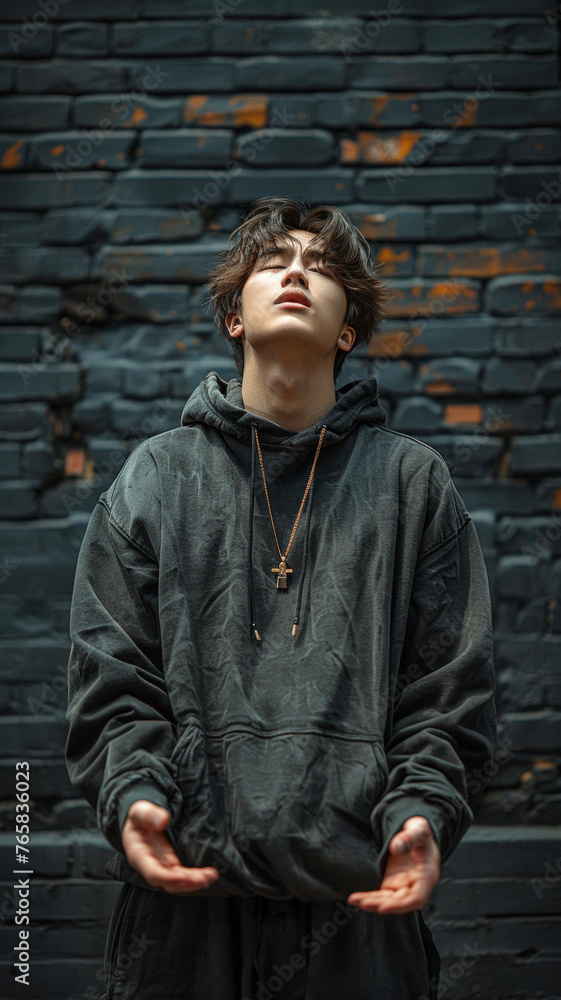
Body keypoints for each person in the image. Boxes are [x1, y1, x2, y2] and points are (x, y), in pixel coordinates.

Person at [65, 197, 497, 1000]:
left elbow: (448, 696)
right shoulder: (154, 479)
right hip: (185, 915)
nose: (297, 270)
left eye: (322, 265)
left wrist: (422, 813)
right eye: (274, 261)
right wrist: (134, 795)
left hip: (359, 915)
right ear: (234, 315)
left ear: (346, 330)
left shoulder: (412, 485)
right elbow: (111, 681)